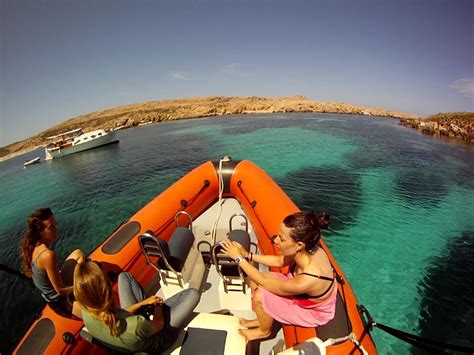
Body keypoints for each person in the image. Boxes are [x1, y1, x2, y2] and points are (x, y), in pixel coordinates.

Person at [221, 211, 337, 341]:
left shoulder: (308, 279)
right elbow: (279, 261)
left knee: (260, 295)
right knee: (254, 280)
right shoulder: (305, 250)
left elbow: (264, 282)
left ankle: (264, 331)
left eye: (281, 239)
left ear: (299, 245)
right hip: (298, 290)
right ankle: (262, 320)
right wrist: (248, 255)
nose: (275, 240)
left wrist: (238, 258)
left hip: (312, 311)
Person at [73, 261, 200, 353]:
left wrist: (143, 303)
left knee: (124, 277)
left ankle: (151, 308)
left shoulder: (86, 312)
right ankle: (161, 308)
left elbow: (120, 314)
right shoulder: (135, 325)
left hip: (137, 327)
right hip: (160, 337)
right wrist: (157, 306)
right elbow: (159, 324)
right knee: (193, 294)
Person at [20, 207, 85, 318]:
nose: (56, 229)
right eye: (51, 227)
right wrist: (84, 285)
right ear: (40, 231)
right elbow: (61, 291)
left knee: (78, 254)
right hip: (61, 302)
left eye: (55, 224)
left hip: (57, 287)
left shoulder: (34, 245)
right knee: (101, 314)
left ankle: (80, 282)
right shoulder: (47, 255)